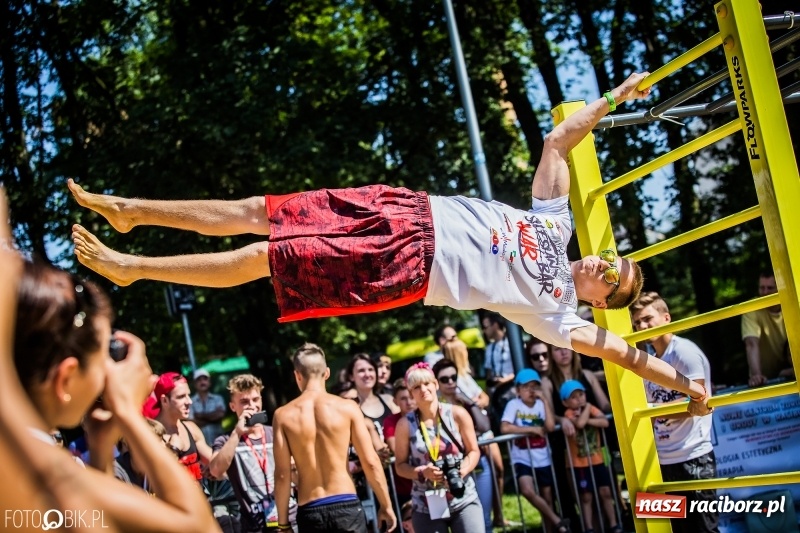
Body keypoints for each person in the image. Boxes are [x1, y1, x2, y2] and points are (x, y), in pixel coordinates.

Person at [67, 72, 712, 413]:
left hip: (407, 265)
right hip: (404, 208)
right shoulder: (554, 223)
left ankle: (134, 267)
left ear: (603, 300)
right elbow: (557, 141)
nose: (604, 261)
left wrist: (687, 387)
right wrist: (615, 97)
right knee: (257, 211)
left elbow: (629, 356)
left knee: (267, 260)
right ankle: (130, 211)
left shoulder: (560, 319)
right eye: (614, 256)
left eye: (613, 274)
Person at [0, 186, 217, 532]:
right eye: (105, 354)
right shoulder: (33, 475)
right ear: (65, 379)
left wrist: (101, 453)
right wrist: (129, 415)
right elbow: (198, 526)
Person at [272, 343, 397, 533]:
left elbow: (282, 475)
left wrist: (283, 524)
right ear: (327, 373)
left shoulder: (283, 416)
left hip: (309, 510)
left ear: (297, 375)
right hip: (346, 505)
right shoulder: (348, 408)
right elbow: (370, 461)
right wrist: (386, 506)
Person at [631, 292, 718, 533]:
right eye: (637, 323)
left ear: (667, 318)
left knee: (703, 530)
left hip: (693, 458)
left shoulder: (684, 352)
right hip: (659, 461)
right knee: (671, 530)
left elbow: (697, 404)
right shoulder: (647, 359)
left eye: (647, 318)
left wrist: (651, 411)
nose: (642, 326)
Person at [394, 362, 484, 533]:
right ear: (411, 393)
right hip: (425, 503)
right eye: (416, 387)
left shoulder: (457, 414)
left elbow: (473, 450)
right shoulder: (405, 425)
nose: (423, 389)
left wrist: (461, 471)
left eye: (427, 383)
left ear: (435, 385)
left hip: (463, 496)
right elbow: (400, 466)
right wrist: (422, 472)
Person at [208, 373, 297, 533]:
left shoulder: (276, 433)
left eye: (256, 399)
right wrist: (237, 433)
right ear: (232, 406)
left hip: (289, 517)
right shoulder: (225, 440)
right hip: (254, 524)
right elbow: (215, 470)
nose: (252, 406)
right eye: (244, 401)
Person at [441, 338, 507, 528]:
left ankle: (498, 514)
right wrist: (473, 401)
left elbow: (484, 397)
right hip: (474, 441)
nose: (450, 382)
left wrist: (475, 401)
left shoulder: (466, 376)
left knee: (498, 471)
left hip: (483, 436)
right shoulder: (457, 381)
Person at [500, 369, 569, 533]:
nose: (531, 391)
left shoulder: (540, 404)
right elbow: (504, 427)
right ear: (517, 390)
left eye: (534, 387)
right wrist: (531, 430)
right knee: (527, 490)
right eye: (526, 387)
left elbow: (550, 427)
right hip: (522, 457)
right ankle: (557, 520)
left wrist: (545, 401)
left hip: (543, 457)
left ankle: (551, 528)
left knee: (547, 497)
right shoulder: (513, 405)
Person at [432, 359, 495, 532]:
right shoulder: (433, 408)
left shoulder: (464, 401)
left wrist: (470, 402)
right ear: (436, 382)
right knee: (449, 521)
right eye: (445, 379)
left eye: (453, 377)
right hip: (446, 471)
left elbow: (485, 427)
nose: (451, 382)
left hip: (477, 465)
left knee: (484, 519)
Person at [559, 380, 620, 533]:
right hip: (580, 463)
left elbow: (605, 422)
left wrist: (587, 415)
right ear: (565, 402)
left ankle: (614, 525)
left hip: (597, 460)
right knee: (586, 497)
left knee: (605, 492)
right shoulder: (568, 414)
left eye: (581, 394)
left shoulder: (589, 408)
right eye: (574, 397)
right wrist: (587, 409)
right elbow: (579, 424)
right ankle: (589, 528)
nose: (579, 398)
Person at [153, 371, 214, 481]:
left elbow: (215, 464)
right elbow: (155, 476)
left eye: (188, 395)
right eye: (181, 397)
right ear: (165, 401)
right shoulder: (150, 434)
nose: (189, 401)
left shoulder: (191, 428)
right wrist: (173, 449)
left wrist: (235, 435)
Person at [741, 270, 790, 386]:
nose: (764, 292)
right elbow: (751, 343)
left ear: (781, 289)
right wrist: (756, 375)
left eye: (770, 288)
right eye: (761, 288)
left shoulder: (793, 303)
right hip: (765, 380)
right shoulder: (752, 308)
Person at [349, 353, 399, 441]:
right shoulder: (348, 406)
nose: (367, 374)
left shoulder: (389, 400)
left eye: (371, 369)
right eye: (361, 371)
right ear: (351, 376)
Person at [383, 379, 417, 507]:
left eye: (411, 397)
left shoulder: (426, 415)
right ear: (395, 401)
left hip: (432, 482)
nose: (409, 402)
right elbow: (395, 447)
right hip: (405, 487)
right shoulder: (391, 421)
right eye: (403, 398)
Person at [190, 368, 227, 444]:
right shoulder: (190, 401)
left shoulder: (218, 398)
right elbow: (192, 422)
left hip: (219, 442)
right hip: (200, 445)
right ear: (194, 384)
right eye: (199, 380)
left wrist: (200, 416)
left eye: (205, 379)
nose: (202, 382)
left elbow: (220, 415)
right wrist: (213, 418)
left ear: (209, 382)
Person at [482, 313, 515, 393]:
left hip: (513, 388)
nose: (484, 331)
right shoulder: (489, 348)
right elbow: (489, 373)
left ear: (495, 325)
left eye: (485, 327)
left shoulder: (513, 344)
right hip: (496, 391)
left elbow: (521, 368)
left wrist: (505, 380)